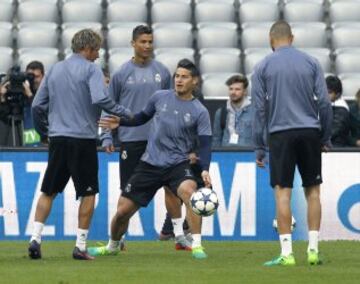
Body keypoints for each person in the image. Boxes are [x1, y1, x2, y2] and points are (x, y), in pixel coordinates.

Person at [89, 59, 212, 259]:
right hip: (150, 163)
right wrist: (121, 122)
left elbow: (206, 144)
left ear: (195, 81)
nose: (179, 80)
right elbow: (141, 118)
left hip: (177, 164)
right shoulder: (159, 97)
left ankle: (197, 245)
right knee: (122, 212)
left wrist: (204, 168)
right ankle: (113, 245)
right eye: (177, 76)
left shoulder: (200, 111)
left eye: (184, 77)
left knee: (191, 193)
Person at [28, 29, 132, 261]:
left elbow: (37, 106)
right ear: (88, 48)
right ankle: (80, 245)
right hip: (82, 140)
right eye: (97, 50)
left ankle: (35, 239)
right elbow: (100, 99)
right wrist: (125, 113)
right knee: (88, 193)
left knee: (48, 191)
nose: (98, 55)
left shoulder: (54, 69)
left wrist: (43, 131)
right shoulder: (91, 69)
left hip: (57, 139)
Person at [252, 20, 332, 266]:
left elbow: (259, 109)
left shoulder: (262, 66)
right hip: (309, 131)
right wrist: (325, 136)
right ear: (292, 37)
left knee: (283, 194)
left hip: (280, 134)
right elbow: (324, 103)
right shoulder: (311, 62)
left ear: (270, 39)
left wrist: (259, 145)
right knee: (313, 191)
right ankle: (313, 250)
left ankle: (287, 254)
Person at [100, 25, 172, 248]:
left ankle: (177, 233)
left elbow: (171, 106)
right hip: (131, 140)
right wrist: (107, 137)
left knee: (172, 186)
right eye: (143, 42)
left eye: (150, 42)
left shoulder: (163, 72)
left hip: (159, 141)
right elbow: (108, 106)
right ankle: (120, 236)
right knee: (128, 192)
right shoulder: (122, 73)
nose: (147, 46)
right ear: (133, 44)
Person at [212, 75, 253, 148]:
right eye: (231, 89)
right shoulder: (221, 112)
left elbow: (261, 137)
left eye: (237, 89)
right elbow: (216, 139)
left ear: (245, 91)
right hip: (226, 155)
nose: (233, 92)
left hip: (248, 155)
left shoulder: (255, 112)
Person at [23, 61, 45, 146]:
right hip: (20, 146)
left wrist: (30, 96)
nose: (33, 80)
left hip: (42, 148)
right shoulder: (19, 94)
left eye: (36, 77)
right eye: (30, 77)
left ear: (43, 77)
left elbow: (41, 112)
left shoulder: (48, 94)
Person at [326, 75, 351, 147]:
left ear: (338, 94)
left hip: (336, 148)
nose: (325, 95)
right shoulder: (326, 104)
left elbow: (332, 132)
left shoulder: (342, 110)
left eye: (329, 92)